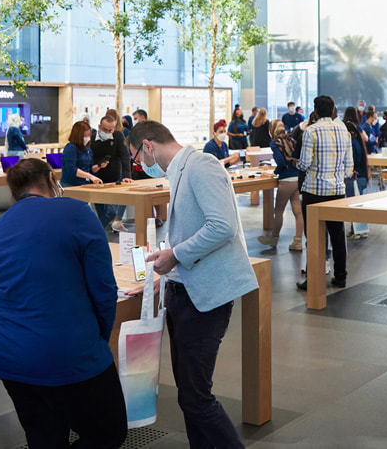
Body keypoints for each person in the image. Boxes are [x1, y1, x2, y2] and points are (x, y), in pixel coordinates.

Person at [126, 121, 257, 448]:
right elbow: (190, 232)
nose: (139, 165)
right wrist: (163, 277)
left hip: (204, 299)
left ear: (148, 146)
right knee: (189, 397)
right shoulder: (178, 173)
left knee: (197, 398)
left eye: (137, 157)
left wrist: (176, 255)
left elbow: (222, 226)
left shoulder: (201, 165)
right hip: (183, 294)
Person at [0, 158, 127, 449]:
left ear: (14, 190)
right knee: (108, 432)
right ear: (51, 179)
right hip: (68, 350)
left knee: (44, 438)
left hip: (7, 351)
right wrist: (98, 339)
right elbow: (104, 289)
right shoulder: (76, 212)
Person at [296, 95, 353, 290]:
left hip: (313, 190)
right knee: (338, 236)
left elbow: (304, 164)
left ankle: (314, 278)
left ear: (316, 111)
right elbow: (349, 167)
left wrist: (296, 162)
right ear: (333, 110)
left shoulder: (311, 131)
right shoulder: (344, 131)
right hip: (337, 191)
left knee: (313, 237)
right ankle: (340, 277)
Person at [258, 120, 305, 251]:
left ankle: (274, 239)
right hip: (297, 179)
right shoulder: (291, 140)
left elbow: (281, 161)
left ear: (271, 130)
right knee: (298, 212)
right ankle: (298, 241)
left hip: (286, 181)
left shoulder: (274, 143)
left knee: (278, 212)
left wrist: (273, 173)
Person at [91, 115, 133, 231]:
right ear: (99, 126)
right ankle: (98, 234)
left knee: (111, 211)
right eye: (105, 130)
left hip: (115, 178)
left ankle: (93, 230)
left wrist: (126, 176)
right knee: (101, 212)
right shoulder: (92, 138)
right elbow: (90, 159)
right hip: (97, 179)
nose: (108, 132)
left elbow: (125, 156)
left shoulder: (118, 135)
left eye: (111, 130)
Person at [60, 121, 104, 187]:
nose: (88, 138)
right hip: (71, 185)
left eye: (88, 135)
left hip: (85, 184)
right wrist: (90, 176)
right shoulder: (71, 147)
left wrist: (98, 166)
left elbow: (89, 169)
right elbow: (71, 169)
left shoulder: (87, 149)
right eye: (85, 135)